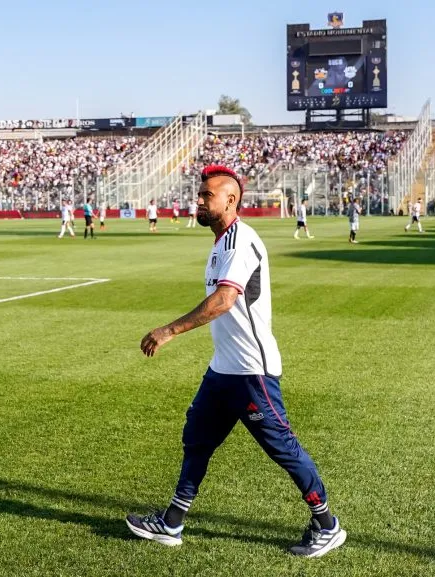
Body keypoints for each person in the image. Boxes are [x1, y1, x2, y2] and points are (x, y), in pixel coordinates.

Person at [127, 164, 346, 558]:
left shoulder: (239, 242)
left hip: (251, 371)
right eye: (199, 194)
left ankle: (327, 525)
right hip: (223, 369)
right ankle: (172, 523)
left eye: (206, 195)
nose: (198, 200)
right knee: (197, 438)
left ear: (231, 200)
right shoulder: (219, 243)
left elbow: (225, 300)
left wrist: (169, 330)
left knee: (282, 447)